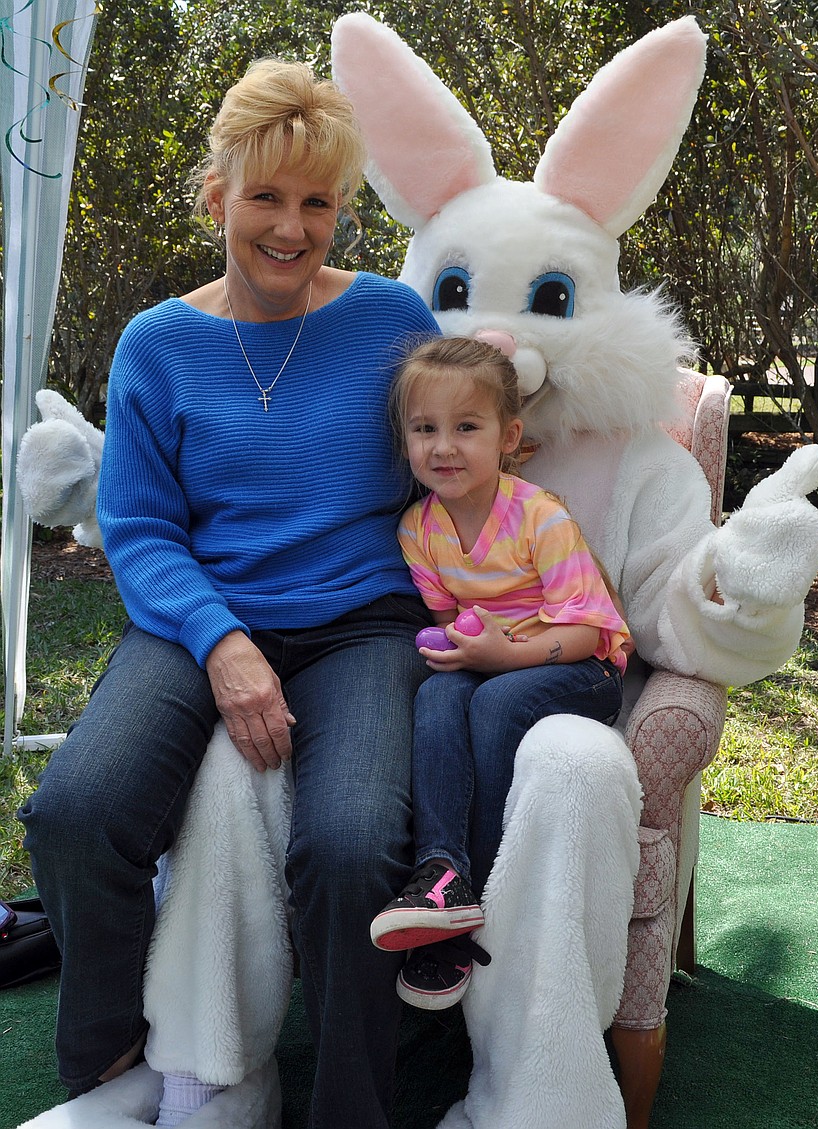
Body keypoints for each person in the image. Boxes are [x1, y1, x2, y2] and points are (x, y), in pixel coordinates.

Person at [18, 57, 441, 1129]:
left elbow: (458, 456)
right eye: (265, 196)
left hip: (362, 624)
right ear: (217, 196)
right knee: (76, 811)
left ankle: (352, 1108)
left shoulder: (394, 319)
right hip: (198, 612)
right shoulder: (156, 344)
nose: (291, 228)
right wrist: (221, 642)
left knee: (350, 847)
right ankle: (113, 1062)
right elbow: (143, 529)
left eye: (317, 202)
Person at [368, 337, 631, 1009]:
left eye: (466, 427)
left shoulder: (538, 517)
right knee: (436, 697)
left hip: (580, 665)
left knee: (490, 706)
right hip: (494, 659)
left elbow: (588, 631)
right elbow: (450, 618)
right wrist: (458, 646)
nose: (443, 446)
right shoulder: (417, 530)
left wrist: (501, 655)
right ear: (405, 440)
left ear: (508, 435)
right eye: (425, 428)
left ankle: (466, 908)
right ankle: (440, 873)